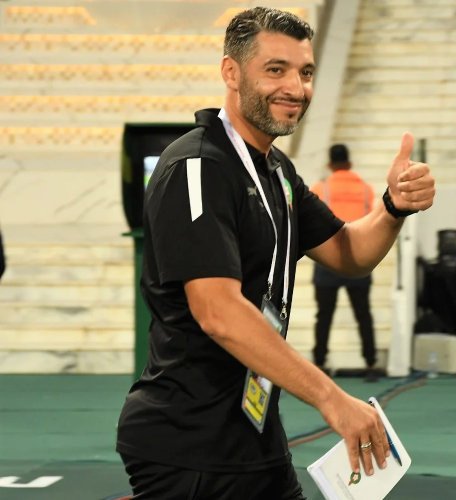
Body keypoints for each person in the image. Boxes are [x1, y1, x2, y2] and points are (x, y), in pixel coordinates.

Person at [115, 7, 435, 498]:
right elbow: (218, 311)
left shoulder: (277, 171)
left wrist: (393, 207)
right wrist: (331, 399)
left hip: (253, 434)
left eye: (305, 72)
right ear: (231, 72)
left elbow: (349, 253)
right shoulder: (198, 167)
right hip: (190, 443)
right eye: (276, 69)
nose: (296, 87)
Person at [310, 144, 378, 382]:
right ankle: (370, 363)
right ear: (349, 163)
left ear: (330, 164)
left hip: (327, 260)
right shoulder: (366, 189)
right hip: (358, 259)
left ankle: (319, 362)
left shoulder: (321, 188)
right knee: (363, 314)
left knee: (324, 315)